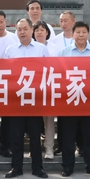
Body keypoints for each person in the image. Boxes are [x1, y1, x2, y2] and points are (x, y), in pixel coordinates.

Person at [2, 18, 49, 179]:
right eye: (19, 29)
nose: (22, 32)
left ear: (31, 30)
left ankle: (37, 168)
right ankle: (16, 167)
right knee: (16, 136)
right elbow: (5, 73)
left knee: (35, 136)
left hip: (35, 99)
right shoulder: (10, 50)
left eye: (25, 29)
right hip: (16, 100)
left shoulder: (41, 49)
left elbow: (48, 71)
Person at [59, 21, 90, 178]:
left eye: (84, 32)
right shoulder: (64, 53)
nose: (81, 35)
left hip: (88, 101)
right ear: (72, 34)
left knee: (89, 136)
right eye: (78, 32)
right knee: (68, 136)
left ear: (88, 34)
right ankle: (67, 166)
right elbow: (59, 75)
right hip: (69, 100)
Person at [0, 9, 18, 157]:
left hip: (9, 83)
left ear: (6, 22)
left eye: (1, 22)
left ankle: (6, 146)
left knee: (8, 116)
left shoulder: (14, 38)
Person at [33, 20, 57, 160]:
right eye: (37, 30)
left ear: (47, 32)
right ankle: (35, 148)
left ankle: (49, 148)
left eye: (42, 30)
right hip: (33, 90)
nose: (39, 32)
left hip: (49, 89)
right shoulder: (30, 47)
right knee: (34, 123)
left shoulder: (55, 48)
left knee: (49, 122)